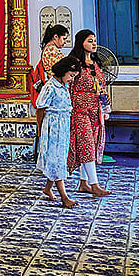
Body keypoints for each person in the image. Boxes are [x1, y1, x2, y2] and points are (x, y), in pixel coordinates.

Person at [66, 29, 112, 197]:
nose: (94, 44)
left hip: (95, 109)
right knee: (86, 146)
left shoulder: (95, 64)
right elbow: (68, 86)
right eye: (90, 41)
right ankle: (95, 185)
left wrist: (104, 100)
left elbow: (101, 85)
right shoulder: (74, 63)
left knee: (91, 145)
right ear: (81, 43)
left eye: (94, 40)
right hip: (79, 110)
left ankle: (83, 183)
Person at [36, 55, 82, 208]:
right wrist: (40, 130)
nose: (72, 79)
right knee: (55, 159)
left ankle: (48, 188)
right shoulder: (50, 86)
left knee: (59, 158)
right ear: (63, 72)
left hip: (63, 126)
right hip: (52, 127)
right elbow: (40, 108)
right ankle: (64, 196)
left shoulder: (63, 85)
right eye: (71, 75)